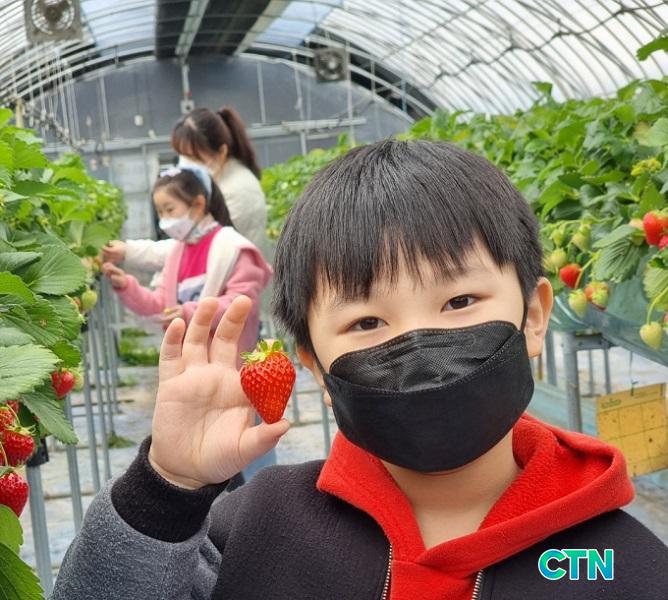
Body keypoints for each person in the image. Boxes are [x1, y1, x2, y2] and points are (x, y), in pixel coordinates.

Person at [53, 140, 668, 599]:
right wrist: (165, 488)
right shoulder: (258, 527)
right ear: (316, 367)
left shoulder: (614, 563)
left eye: (459, 301)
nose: (419, 346)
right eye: (367, 322)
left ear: (534, 316)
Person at [102, 164, 271, 356]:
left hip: (229, 361)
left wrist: (189, 313)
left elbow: (241, 304)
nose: (164, 220)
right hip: (190, 361)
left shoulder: (233, 248)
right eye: (160, 212)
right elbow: (161, 304)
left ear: (198, 204)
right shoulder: (178, 252)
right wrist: (126, 285)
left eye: (170, 209)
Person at [103, 105, 269, 270]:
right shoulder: (216, 179)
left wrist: (131, 251)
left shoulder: (237, 190)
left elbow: (194, 247)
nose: (186, 163)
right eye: (182, 155)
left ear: (221, 152)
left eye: (192, 157)